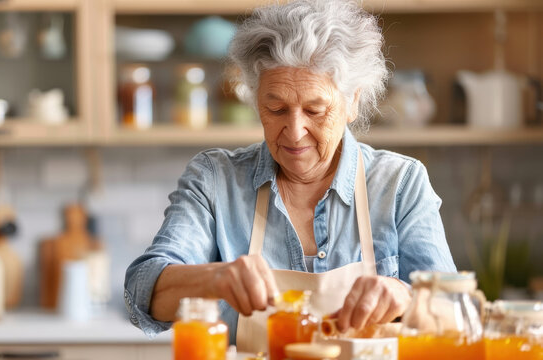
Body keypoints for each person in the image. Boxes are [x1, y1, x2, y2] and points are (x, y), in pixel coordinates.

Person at [124, 0, 456, 352]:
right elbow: (142, 292)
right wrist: (215, 278)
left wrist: (404, 297)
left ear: (353, 102)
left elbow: (455, 314)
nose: (294, 132)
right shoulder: (215, 180)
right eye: (276, 108)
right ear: (255, 101)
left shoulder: (400, 184)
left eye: (315, 109)